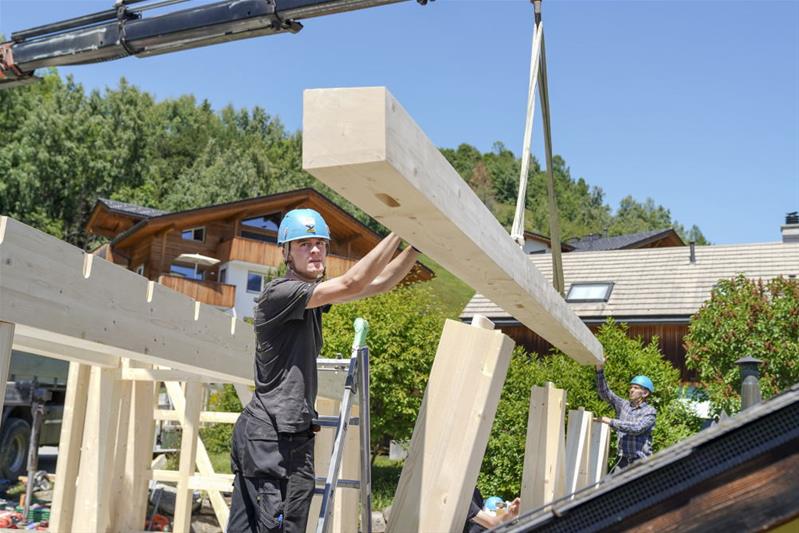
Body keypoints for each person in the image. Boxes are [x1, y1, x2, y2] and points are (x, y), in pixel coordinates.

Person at [228, 208, 420, 532]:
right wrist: (400, 228)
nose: (315, 250)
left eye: (320, 243)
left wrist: (416, 246)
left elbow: (379, 283)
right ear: (286, 252)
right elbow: (352, 281)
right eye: (304, 244)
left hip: (296, 441)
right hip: (270, 440)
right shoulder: (280, 294)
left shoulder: (311, 301)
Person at [595, 362, 657, 472]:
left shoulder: (650, 412)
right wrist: (600, 369)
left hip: (641, 463)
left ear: (645, 393)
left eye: (636, 387)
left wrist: (611, 422)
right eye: (631, 387)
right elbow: (604, 392)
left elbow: (637, 428)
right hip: (622, 461)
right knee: (612, 487)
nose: (631, 390)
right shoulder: (623, 405)